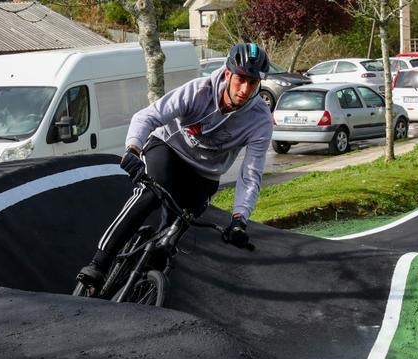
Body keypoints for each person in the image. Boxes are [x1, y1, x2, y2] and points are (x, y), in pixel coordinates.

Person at [76, 42, 272, 290]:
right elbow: (147, 116)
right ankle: (99, 263)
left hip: (204, 174)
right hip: (168, 148)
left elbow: (251, 174)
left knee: (172, 234)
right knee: (149, 194)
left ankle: (141, 286)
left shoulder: (260, 120)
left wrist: (239, 219)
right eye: (240, 79)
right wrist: (133, 150)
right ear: (227, 74)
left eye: (252, 83)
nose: (245, 89)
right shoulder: (199, 91)